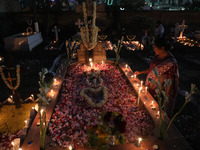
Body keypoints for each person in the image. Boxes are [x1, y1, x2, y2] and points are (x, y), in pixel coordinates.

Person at [134, 38, 179, 117]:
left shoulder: (171, 63)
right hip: (150, 87)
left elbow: (171, 81)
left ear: (162, 48)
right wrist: (141, 72)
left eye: (156, 48)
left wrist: (166, 98)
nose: (154, 50)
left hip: (159, 92)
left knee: (156, 111)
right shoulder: (157, 56)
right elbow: (153, 69)